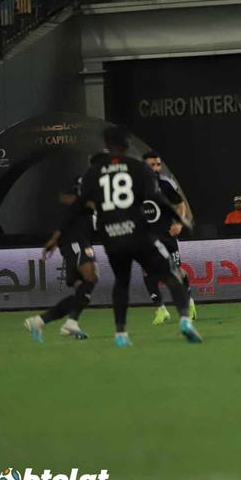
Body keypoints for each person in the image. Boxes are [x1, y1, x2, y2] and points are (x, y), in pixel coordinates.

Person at [61, 125, 199, 346]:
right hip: (139, 233)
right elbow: (158, 199)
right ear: (126, 144)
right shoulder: (136, 168)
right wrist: (182, 220)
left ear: (106, 144)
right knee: (170, 274)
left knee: (121, 282)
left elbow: (78, 206)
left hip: (113, 237)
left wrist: (59, 233)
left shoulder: (93, 174)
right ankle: (184, 320)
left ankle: (121, 334)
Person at [24, 171, 100, 342]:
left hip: (74, 243)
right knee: (92, 277)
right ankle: (71, 323)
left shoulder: (85, 205)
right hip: (76, 243)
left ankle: (39, 321)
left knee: (81, 293)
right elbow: (67, 215)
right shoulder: (79, 201)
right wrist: (54, 239)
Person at [142, 150, 196, 325]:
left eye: (158, 164)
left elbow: (180, 204)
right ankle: (161, 309)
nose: (156, 168)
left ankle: (189, 301)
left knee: (176, 271)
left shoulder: (165, 184)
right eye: (152, 164)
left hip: (167, 234)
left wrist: (179, 223)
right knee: (147, 272)